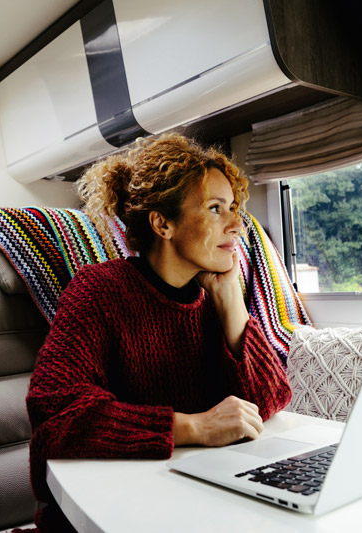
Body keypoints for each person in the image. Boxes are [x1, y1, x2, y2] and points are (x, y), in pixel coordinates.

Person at [25, 133, 293, 532]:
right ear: (162, 223)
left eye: (234, 208)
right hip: (108, 514)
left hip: (192, 507)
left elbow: (271, 398)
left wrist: (230, 299)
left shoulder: (214, 298)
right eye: (216, 209)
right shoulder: (99, 290)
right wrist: (193, 427)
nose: (238, 224)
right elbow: (56, 416)